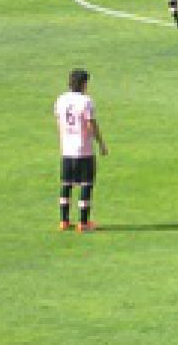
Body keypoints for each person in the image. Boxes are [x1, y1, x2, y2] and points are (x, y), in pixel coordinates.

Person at [54, 68, 109, 233]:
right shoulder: (85, 101)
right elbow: (90, 123)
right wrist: (101, 143)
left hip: (67, 149)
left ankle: (64, 221)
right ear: (84, 83)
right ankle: (83, 223)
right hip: (83, 149)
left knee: (66, 185)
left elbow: (59, 122)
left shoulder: (61, 99)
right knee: (86, 185)